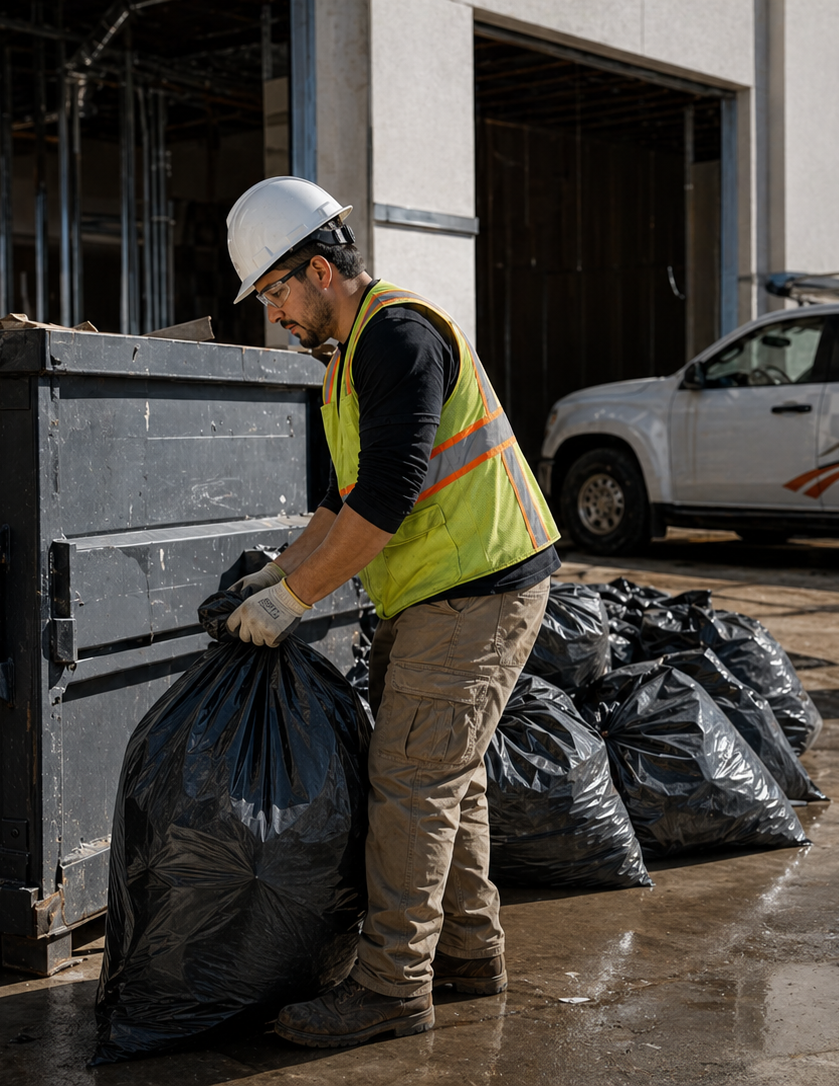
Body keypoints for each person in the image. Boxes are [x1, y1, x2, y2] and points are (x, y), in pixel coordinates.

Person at [222, 177, 561, 1045]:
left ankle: (391, 988)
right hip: (454, 586)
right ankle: (470, 960)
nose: (274, 314)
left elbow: (388, 499)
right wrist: (276, 574)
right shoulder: (348, 362)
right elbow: (340, 502)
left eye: (275, 292)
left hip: (479, 588)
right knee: (450, 776)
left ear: (322, 272)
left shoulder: (398, 339)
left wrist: (296, 599)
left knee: (410, 782)